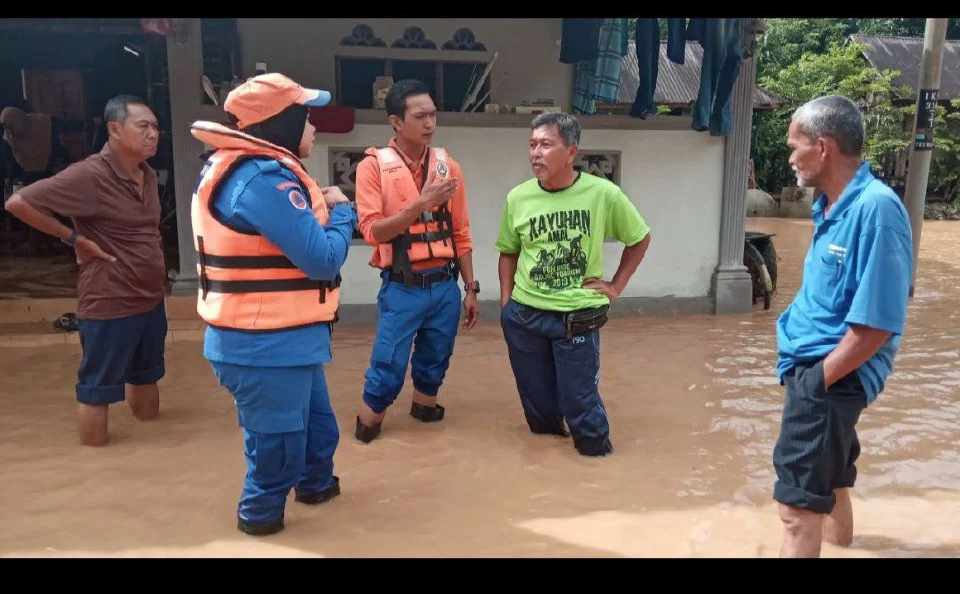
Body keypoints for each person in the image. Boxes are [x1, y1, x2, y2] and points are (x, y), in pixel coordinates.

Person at [189, 73, 355, 536]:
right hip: (262, 346)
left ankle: (317, 491)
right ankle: (260, 523)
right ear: (281, 122)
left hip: (289, 341)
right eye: (306, 117)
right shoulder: (260, 180)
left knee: (319, 437)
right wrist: (344, 211)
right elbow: (322, 260)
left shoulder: (259, 171)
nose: (314, 127)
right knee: (277, 456)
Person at [773, 95, 913, 558]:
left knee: (796, 510)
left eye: (796, 146)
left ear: (824, 147)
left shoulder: (876, 209)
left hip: (830, 376)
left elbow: (876, 324)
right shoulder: (831, 206)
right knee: (831, 487)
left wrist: (817, 381)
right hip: (819, 372)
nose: (790, 157)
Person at [3, 95, 167, 447]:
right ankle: (101, 469)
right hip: (110, 300)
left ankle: (152, 458)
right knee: (98, 391)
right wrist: (73, 239)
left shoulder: (148, 175)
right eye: (143, 126)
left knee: (147, 377)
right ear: (114, 130)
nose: (153, 134)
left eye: (155, 126)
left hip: (151, 298)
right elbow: (18, 203)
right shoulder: (89, 175)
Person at [495, 112, 652, 457]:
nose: (536, 152)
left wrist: (616, 285)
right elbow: (508, 252)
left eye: (546, 144)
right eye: (532, 145)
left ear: (571, 151)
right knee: (538, 410)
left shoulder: (604, 194)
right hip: (524, 317)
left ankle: (596, 467)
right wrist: (507, 306)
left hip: (576, 315)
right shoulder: (518, 198)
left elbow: (639, 238)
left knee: (580, 405)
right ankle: (549, 479)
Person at [352, 79, 479, 443]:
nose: (430, 124)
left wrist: (470, 288)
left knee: (436, 358)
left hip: (445, 286)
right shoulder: (373, 167)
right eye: (420, 116)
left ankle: (425, 408)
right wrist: (420, 204)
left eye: (433, 115)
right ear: (396, 121)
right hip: (402, 287)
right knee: (388, 365)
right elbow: (373, 231)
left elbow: (461, 233)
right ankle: (368, 425)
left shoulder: (448, 167)